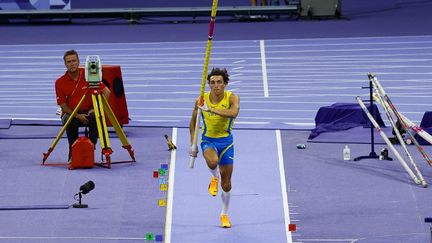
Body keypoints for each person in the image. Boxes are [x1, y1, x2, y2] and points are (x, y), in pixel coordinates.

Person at [189, 68, 240, 228]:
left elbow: (233, 113)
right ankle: (214, 176)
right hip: (208, 140)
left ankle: (224, 215)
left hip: (226, 143)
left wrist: (211, 110)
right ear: (209, 84)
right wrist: (193, 143)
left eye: (219, 82)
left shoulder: (232, 97)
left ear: (225, 84)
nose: (216, 85)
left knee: (227, 184)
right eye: (212, 82)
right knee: (212, 161)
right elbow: (193, 122)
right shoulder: (200, 100)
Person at [55, 50, 110, 160]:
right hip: (73, 113)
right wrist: (77, 115)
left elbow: (107, 92)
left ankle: (91, 146)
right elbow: (63, 105)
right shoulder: (59, 82)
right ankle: (73, 149)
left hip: (89, 111)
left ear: (78, 61)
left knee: (97, 116)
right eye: (69, 61)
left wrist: (96, 109)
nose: (72, 63)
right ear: (65, 64)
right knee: (67, 118)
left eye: (74, 61)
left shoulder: (89, 74)